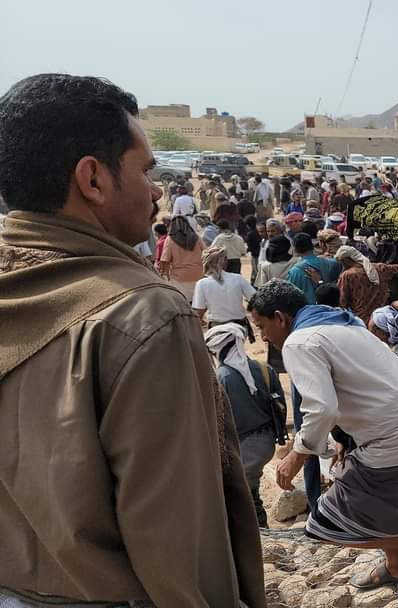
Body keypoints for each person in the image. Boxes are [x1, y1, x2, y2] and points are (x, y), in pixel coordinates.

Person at [0, 73, 263, 606]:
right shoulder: (143, 315)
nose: (157, 189)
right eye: (145, 170)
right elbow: (177, 543)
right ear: (93, 179)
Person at [247, 281, 398, 603]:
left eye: (261, 326)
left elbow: (321, 408)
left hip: (395, 434)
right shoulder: (343, 323)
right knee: (386, 511)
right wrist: (343, 437)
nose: (262, 337)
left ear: (280, 317)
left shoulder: (299, 342)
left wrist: (295, 457)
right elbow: (355, 384)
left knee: (326, 521)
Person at [204, 322, 282, 528]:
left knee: (241, 497)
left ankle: (258, 535)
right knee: (250, 491)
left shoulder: (221, 377)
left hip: (243, 446)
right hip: (266, 442)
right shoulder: (264, 369)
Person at [334, 245, 398, 323]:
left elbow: (342, 301)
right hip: (381, 319)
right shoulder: (380, 268)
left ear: (347, 260)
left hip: (360, 320)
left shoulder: (347, 276)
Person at [192, 245, 257, 335]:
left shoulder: (202, 284)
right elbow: (256, 300)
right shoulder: (238, 279)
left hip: (216, 328)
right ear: (225, 260)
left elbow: (199, 312)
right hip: (240, 327)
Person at [158, 214, 205, 301]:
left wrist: (164, 275)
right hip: (198, 275)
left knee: (182, 302)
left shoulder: (170, 239)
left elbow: (165, 260)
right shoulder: (196, 237)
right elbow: (205, 253)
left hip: (179, 278)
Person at [286, 232, 342, 304]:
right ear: (312, 246)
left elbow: (290, 296)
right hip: (329, 306)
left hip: (307, 309)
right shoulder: (332, 263)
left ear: (295, 249)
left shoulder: (294, 271)